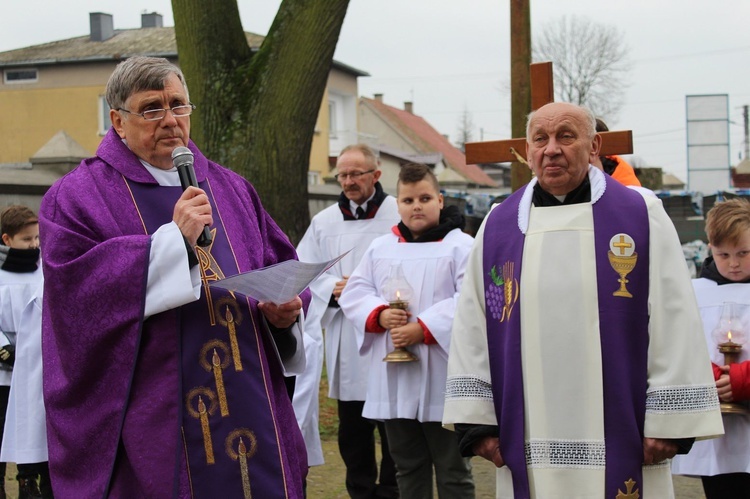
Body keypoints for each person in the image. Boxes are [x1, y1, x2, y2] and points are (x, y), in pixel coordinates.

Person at [39, 56, 309, 498]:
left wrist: (285, 316)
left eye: (178, 106)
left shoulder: (232, 188)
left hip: (249, 404)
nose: (169, 120)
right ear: (117, 121)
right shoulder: (76, 198)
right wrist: (172, 244)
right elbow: (75, 298)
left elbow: (280, 268)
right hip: (157, 417)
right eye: (151, 109)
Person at [442, 101, 724, 498]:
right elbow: (472, 326)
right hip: (526, 435)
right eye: (540, 139)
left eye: (566, 136)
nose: (551, 149)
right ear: (527, 150)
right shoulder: (499, 225)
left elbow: (674, 316)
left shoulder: (641, 213)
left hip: (624, 430)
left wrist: (669, 422)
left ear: (594, 146)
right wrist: (479, 425)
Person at [339, 163, 475, 498]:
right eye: (408, 200)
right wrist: (380, 315)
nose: (416, 206)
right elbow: (356, 291)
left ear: (440, 200)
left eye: (425, 198)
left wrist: (424, 329)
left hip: (443, 376)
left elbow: (471, 301)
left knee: (453, 469)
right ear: (397, 205)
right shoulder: (382, 248)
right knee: (407, 466)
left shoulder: (462, 246)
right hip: (395, 379)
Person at [294, 143, 399, 498]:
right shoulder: (324, 222)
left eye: (357, 174)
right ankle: (360, 490)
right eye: (343, 175)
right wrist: (330, 287)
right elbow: (303, 270)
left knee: (392, 423)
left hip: (390, 330)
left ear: (376, 174)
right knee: (353, 425)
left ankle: (392, 490)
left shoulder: (399, 213)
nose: (349, 181)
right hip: (346, 335)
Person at [672, 198, 750, 498]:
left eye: (744, 253)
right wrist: (709, 375)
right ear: (710, 248)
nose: (733, 263)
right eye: (723, 254)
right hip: (715, 426)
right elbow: (679, 344)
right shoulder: (693, 293)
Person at [0, 206, 47, 499]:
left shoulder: (45, 267)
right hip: (4, 371)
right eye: (26, 239)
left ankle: (30, 481)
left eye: (37, 238)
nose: (34, 245)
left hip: (37, 366)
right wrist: (4, 349)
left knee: (34, 428)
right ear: (7, 239)